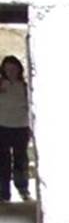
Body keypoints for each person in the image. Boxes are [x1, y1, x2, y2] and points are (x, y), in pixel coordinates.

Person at [0, 54, 31, 203]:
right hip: (2, 127)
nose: (11, 72)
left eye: (13, 69)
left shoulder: (26, 87)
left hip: (21, 127)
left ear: (19, 69)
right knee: (2, 162)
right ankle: (3, 194)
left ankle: (23, 190)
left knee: (21, 161)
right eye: (7, 69)